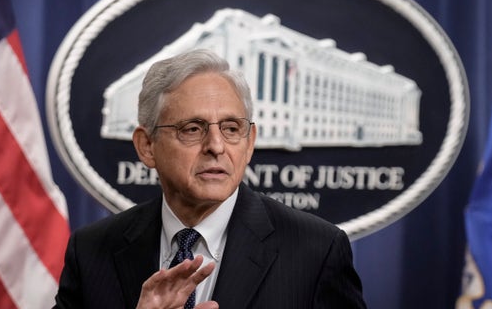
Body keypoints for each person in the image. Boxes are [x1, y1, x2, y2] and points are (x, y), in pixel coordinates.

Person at [54, 49, 366, 308]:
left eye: (231, 129)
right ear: (147, 146)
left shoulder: (315, 250)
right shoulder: (93, 250)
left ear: (249, 143)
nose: (216, 146)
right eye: (192, 129)